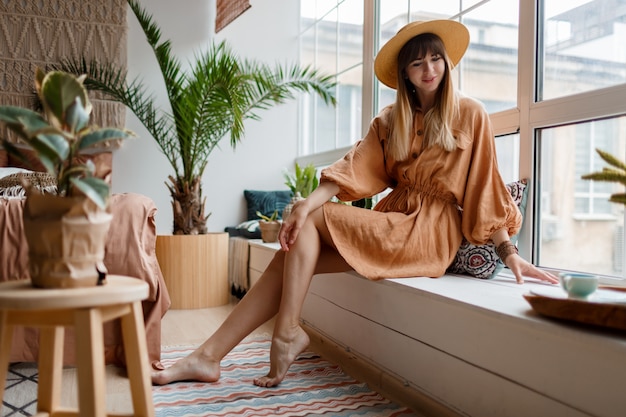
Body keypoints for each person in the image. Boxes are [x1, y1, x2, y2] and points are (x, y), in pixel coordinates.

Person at [151, 19, 558, 388]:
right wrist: (304, 205)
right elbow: (355, 168)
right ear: (405, 75)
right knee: (290, 256)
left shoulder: (471, 114)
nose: (430, 69)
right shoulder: (389, 121)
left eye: (436, 59)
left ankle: (286, 332)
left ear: (447, 63)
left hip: (428, 235)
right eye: (418, 64)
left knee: (310, 222)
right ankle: (209, 356)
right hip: (391, 224)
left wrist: (509, 253)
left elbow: (483, 189)